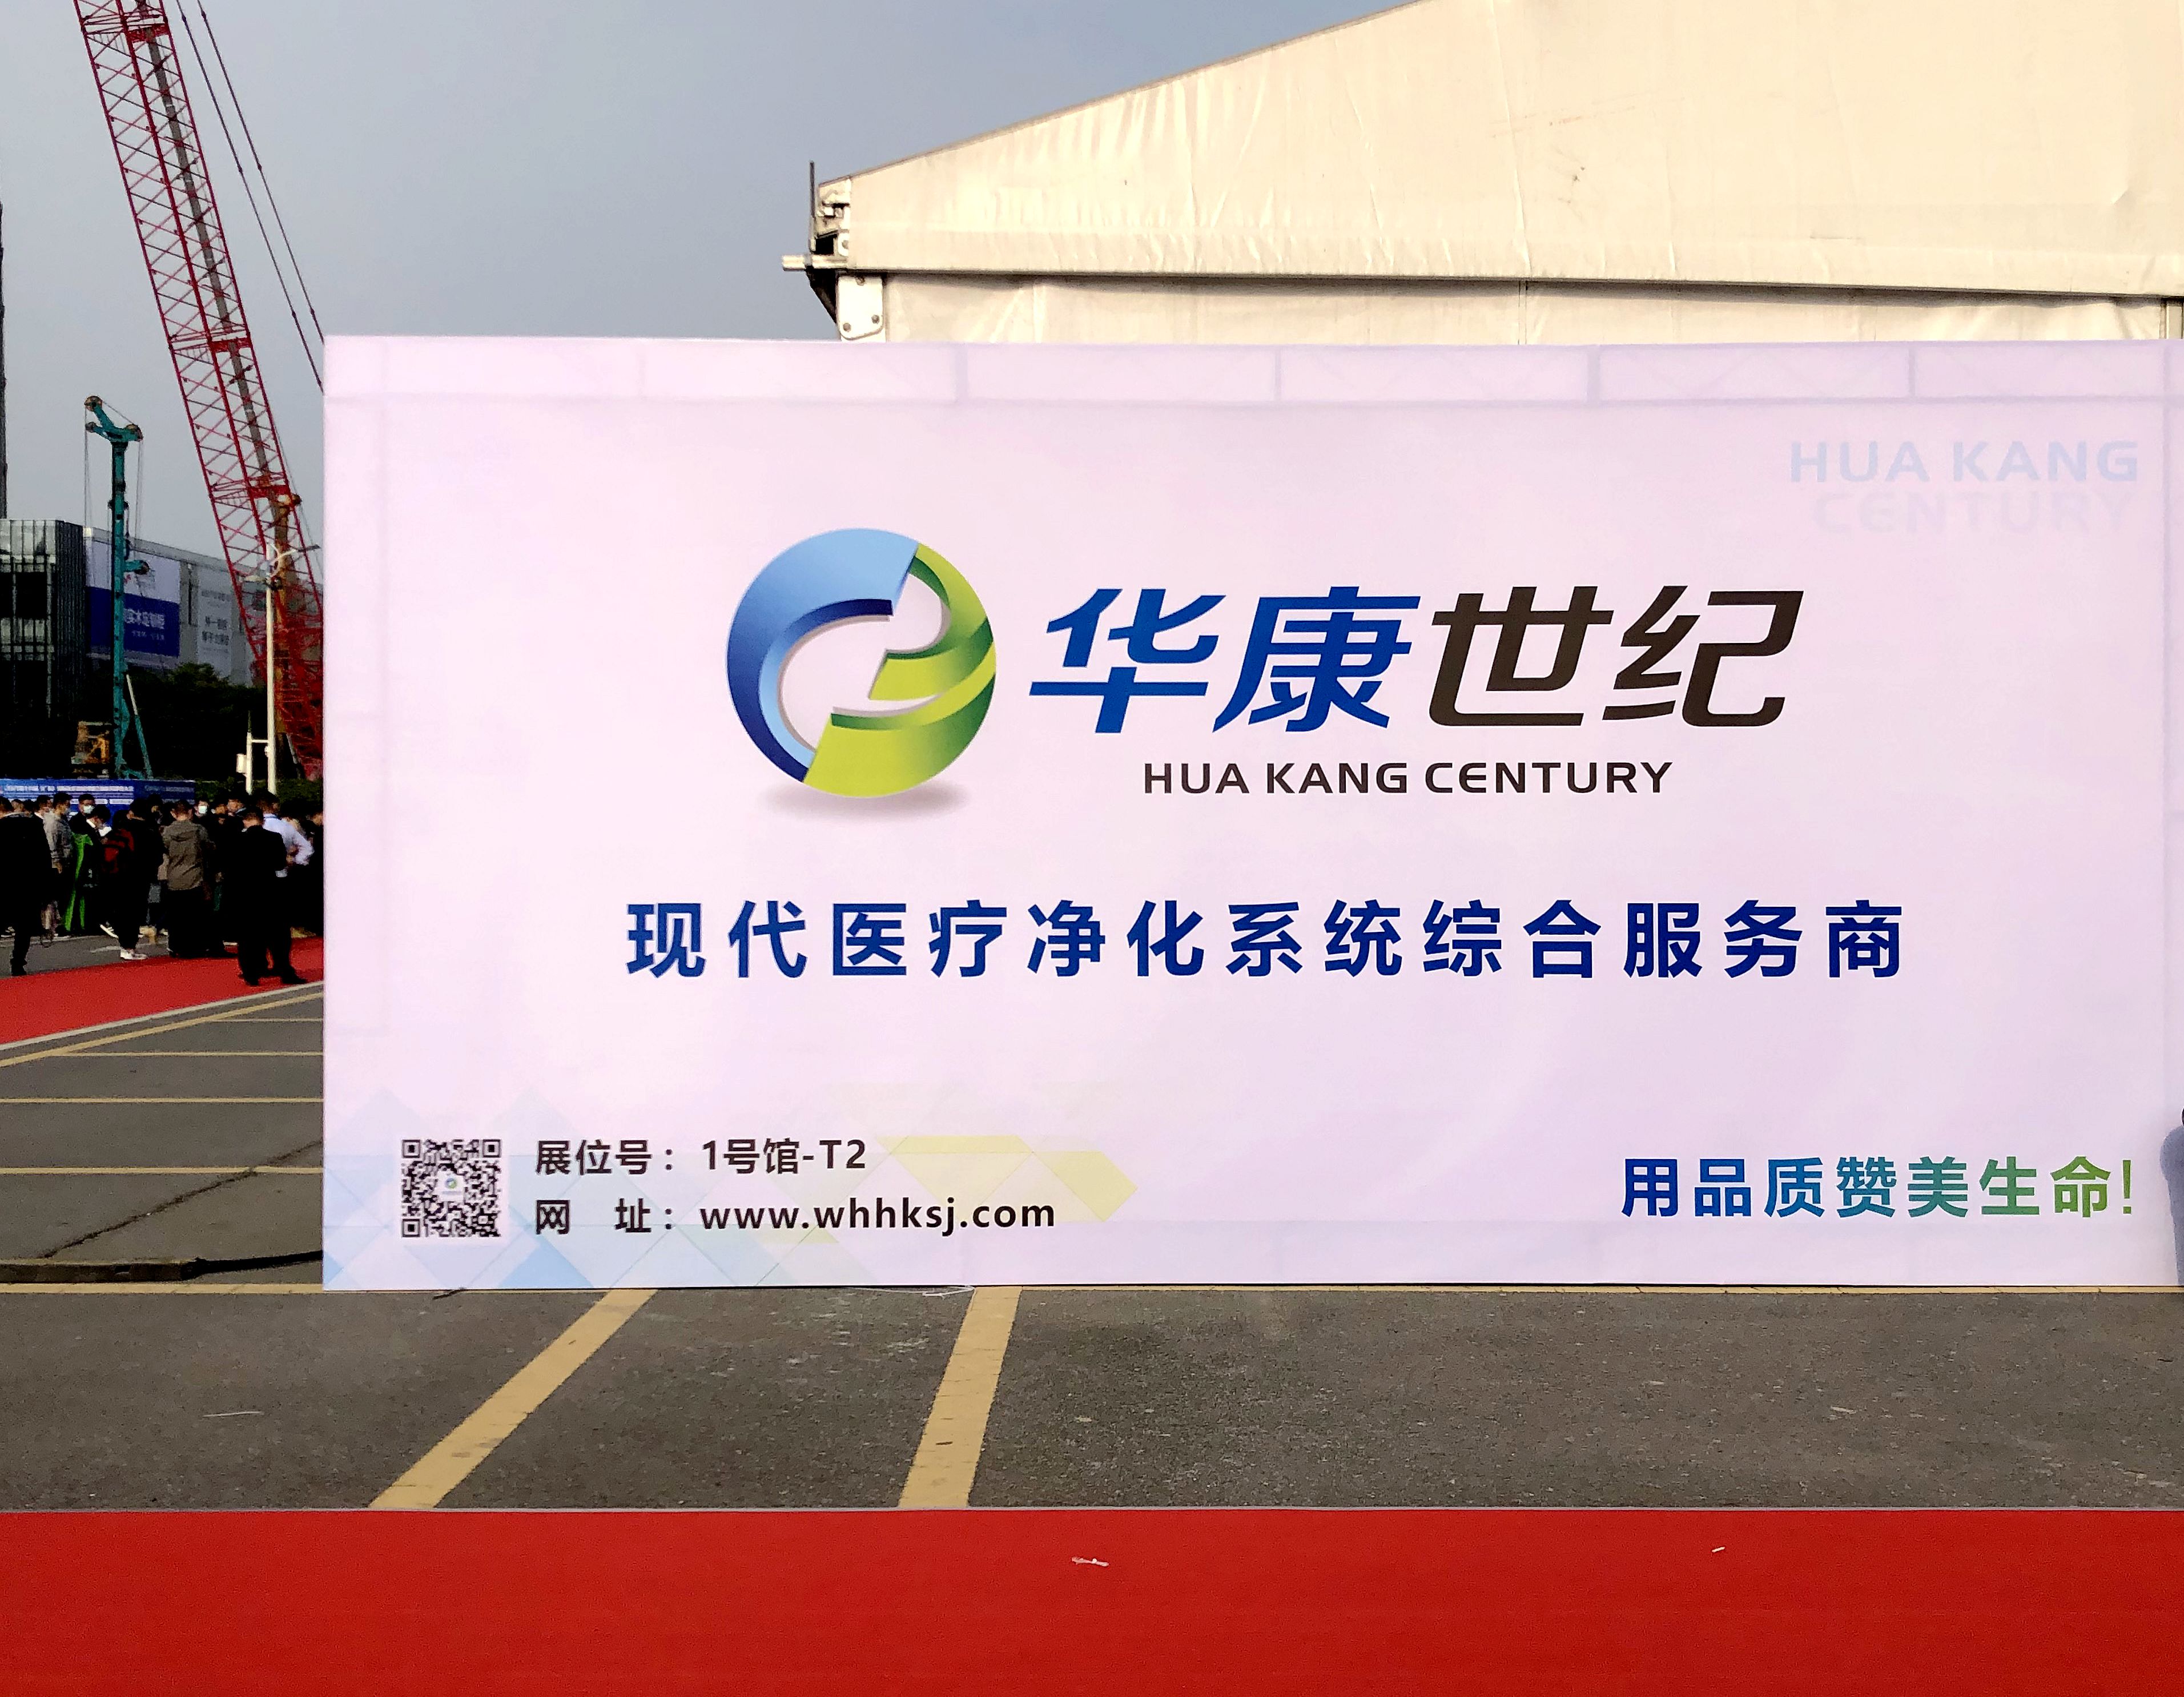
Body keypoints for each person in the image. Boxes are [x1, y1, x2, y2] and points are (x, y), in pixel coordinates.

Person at [228, 806, 302, 986]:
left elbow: (230, 867)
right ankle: (285, 970)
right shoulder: (274, 838)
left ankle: (251, 973)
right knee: (278, 935)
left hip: (246, 893)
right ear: (262, 821)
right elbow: (279, 864)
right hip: (270, 891)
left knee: (248, 936)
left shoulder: (237, 840)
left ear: (245, 821)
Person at [100, 798, 164, 962]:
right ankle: (130, 947)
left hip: (118, 877)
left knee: (123, 911)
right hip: (141, 878)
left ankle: (126, 947)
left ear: (131, 812)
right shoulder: (151, 832)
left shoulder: (120, 830)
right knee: (136, 912)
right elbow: (158, 857)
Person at [0, 799, 56, 976]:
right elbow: (45, 857)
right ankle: (18, 964)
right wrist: (46, 890)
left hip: (4, 887)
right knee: (23, 929)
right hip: (30, 887)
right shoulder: (34, 825)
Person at [160, 800, 219, 959]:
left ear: (174, 813)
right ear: (191, 812)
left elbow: (164, 850)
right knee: (195, 915)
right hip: (194, 876)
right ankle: (195, 947)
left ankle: (175, 946)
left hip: (174, 876)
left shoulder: (167, 832)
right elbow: (210, 849)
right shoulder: (198, 830)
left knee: (176, 916)